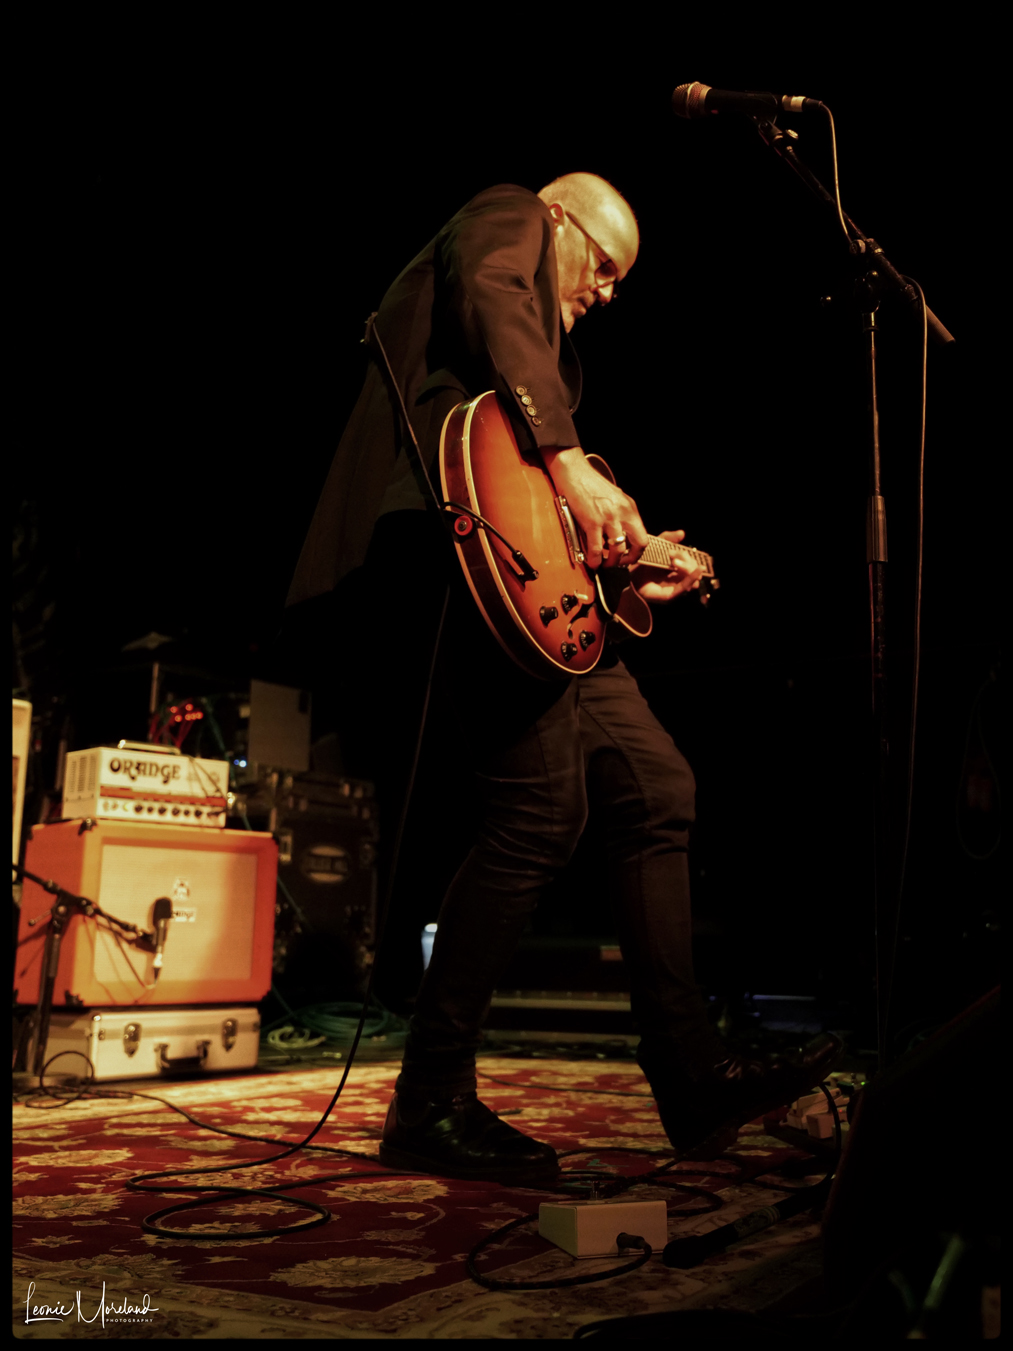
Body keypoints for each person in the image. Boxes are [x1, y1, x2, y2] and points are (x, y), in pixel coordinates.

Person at [287, 173, 839, 1186]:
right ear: (559, 218)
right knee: (537, 814)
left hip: (520, 575)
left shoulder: (527, 384)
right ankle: (431, 1098)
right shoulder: (506, 214)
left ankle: (691, 1073)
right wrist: (569, 454)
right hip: (453, 545)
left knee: (656, 787)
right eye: (605, 266)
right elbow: (494, 292)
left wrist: (630, 573)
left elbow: (542, 526)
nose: (607, 292)